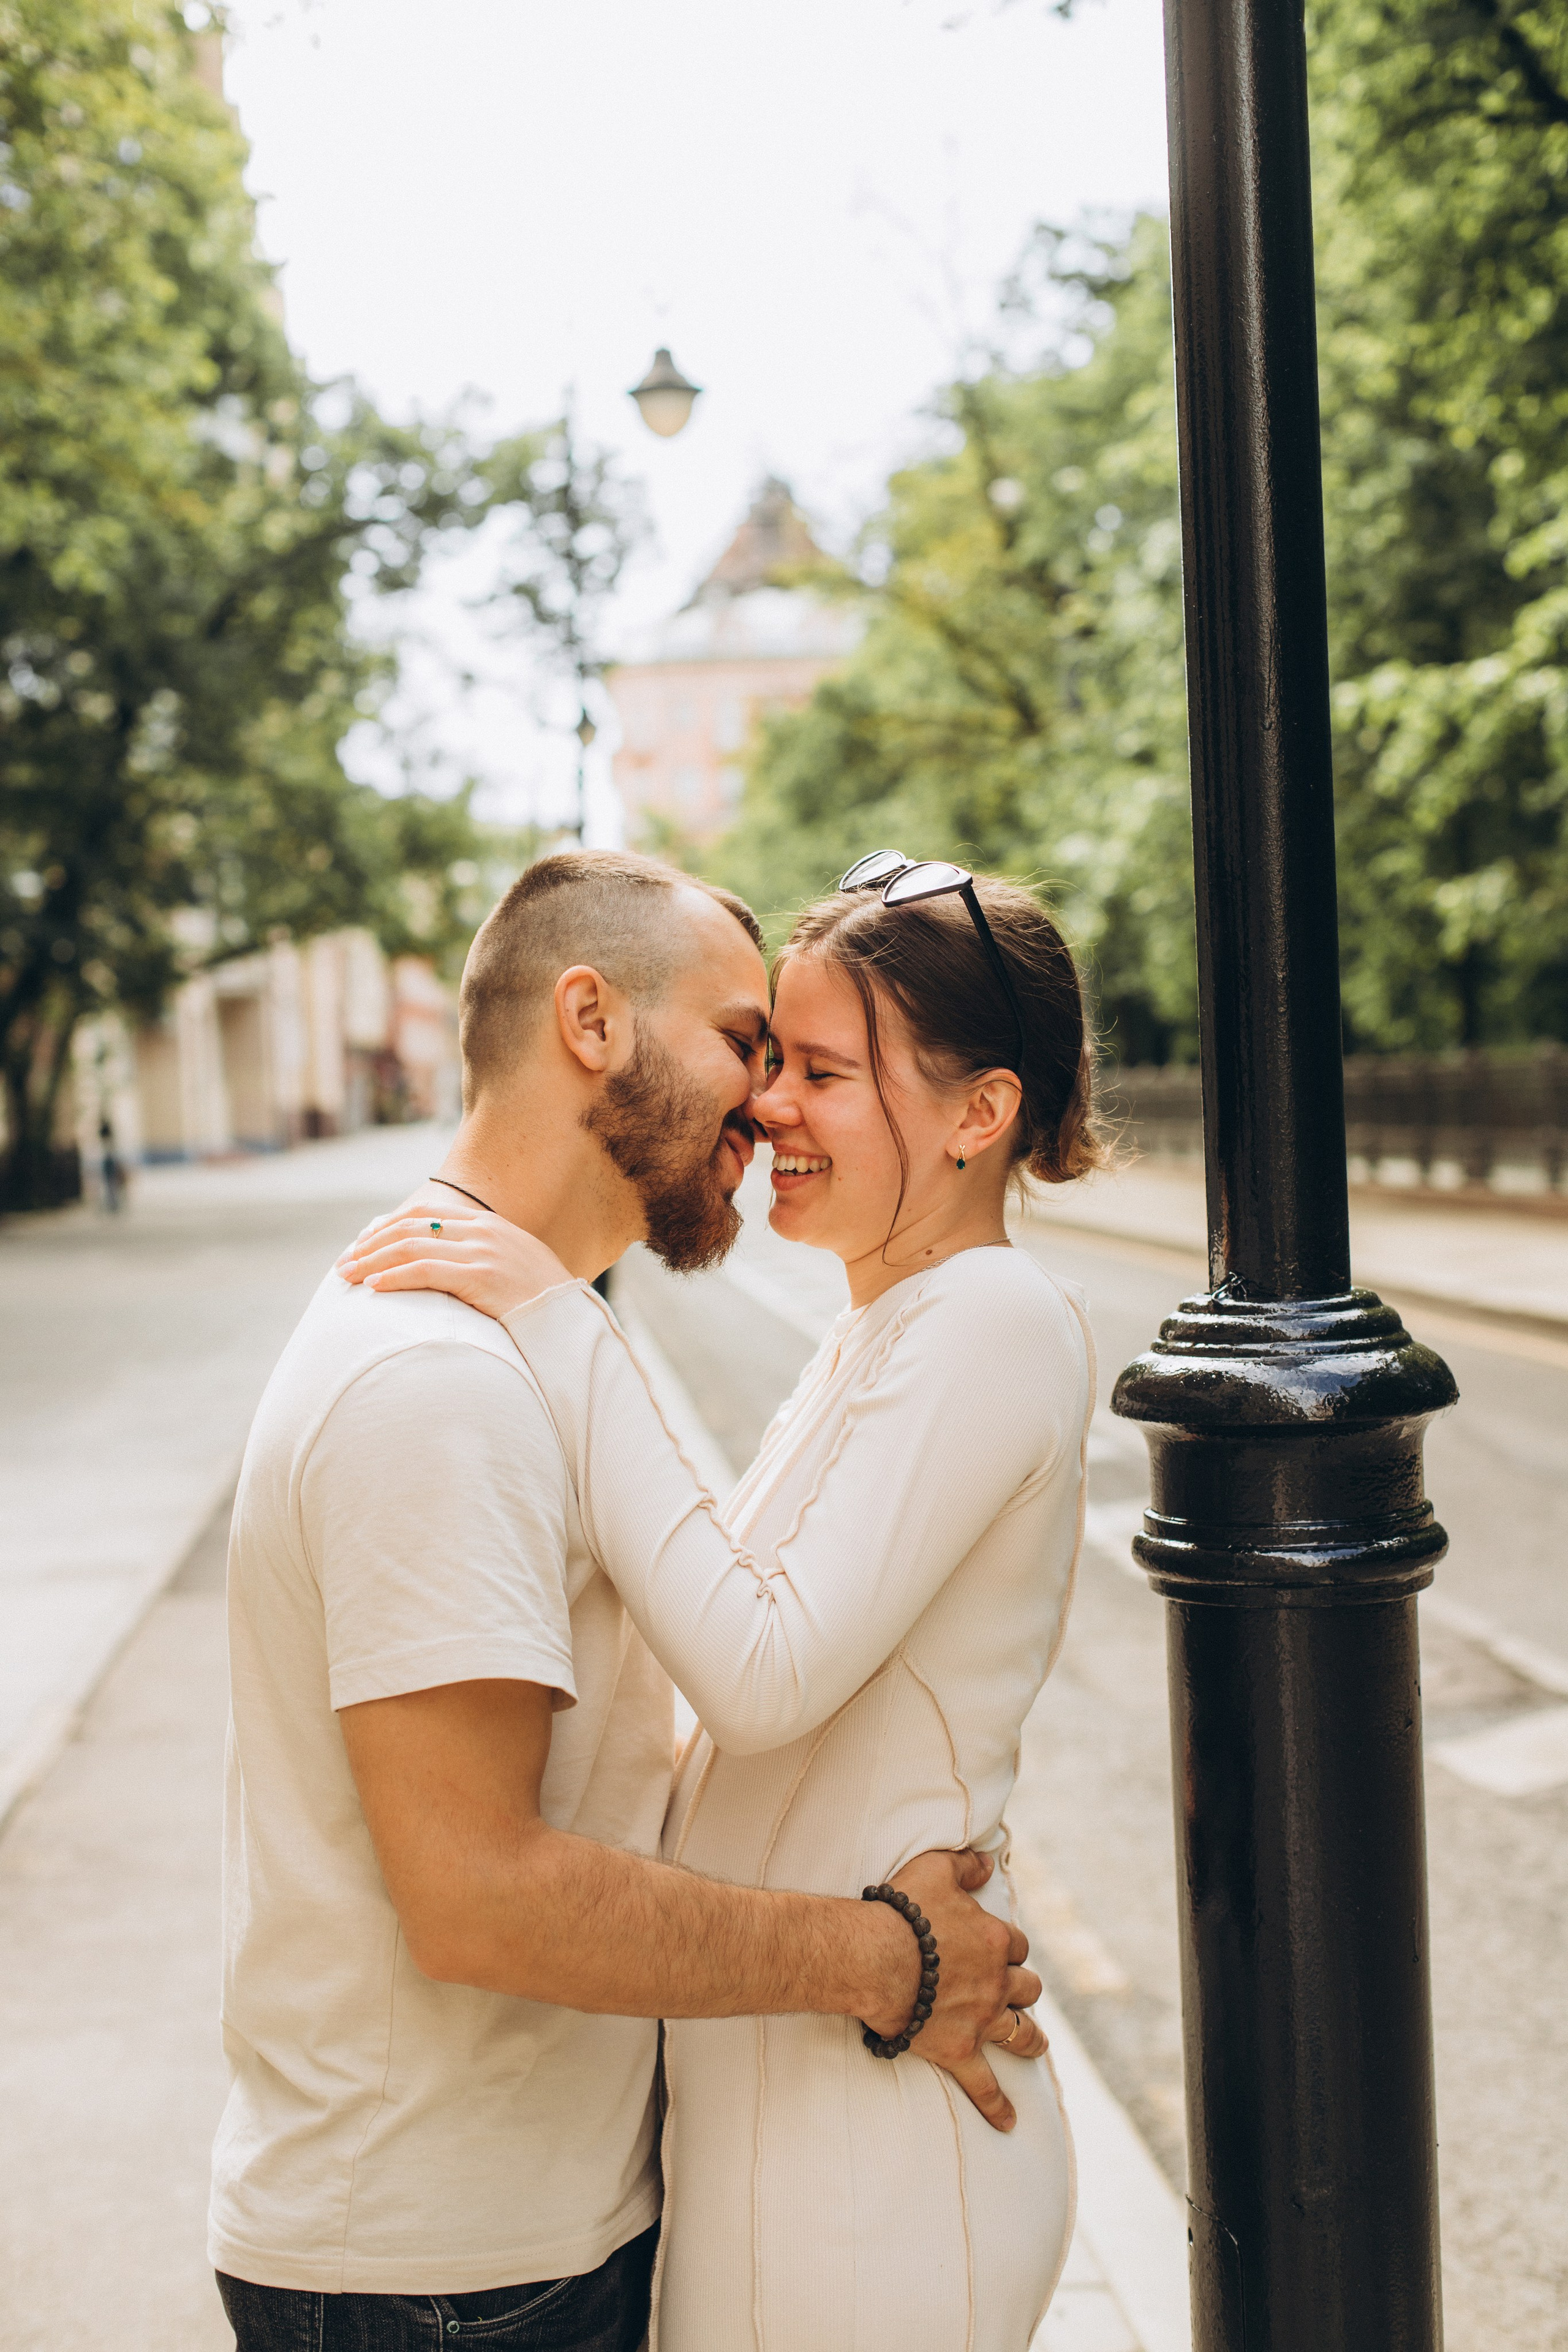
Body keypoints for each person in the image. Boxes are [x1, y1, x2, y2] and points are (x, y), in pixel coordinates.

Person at [213, 850, 1046, 2352]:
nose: (769, 1104)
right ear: (589, 1022)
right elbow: (477, 1893)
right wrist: (885, 1956)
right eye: (749, 1045)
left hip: (511, 2240)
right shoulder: (439, 1384)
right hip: (448, 2274)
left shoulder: (520, 1351)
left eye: (807, 1066)